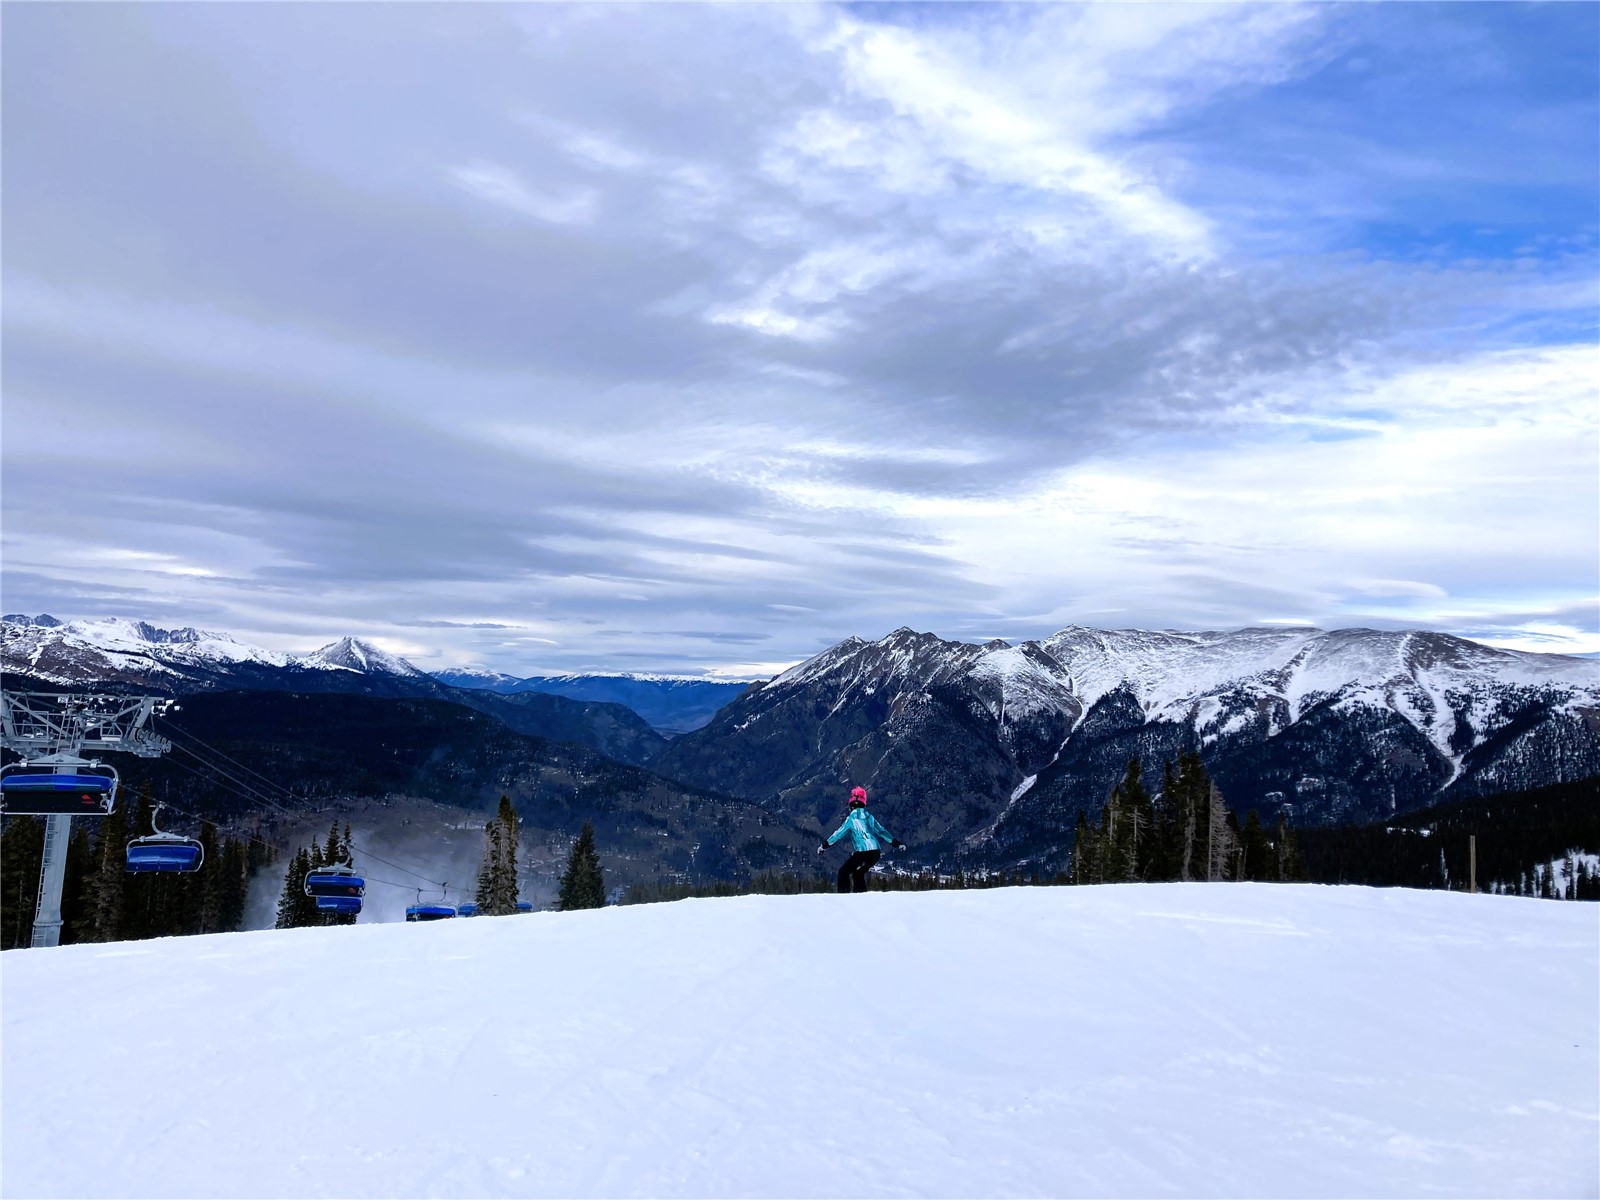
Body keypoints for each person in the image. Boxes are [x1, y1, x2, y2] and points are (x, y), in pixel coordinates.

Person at [819, 786, 906, 893]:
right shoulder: (869, 817)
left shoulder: (851, 819)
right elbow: (881, 831)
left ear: (851, 805)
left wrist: (824, 845)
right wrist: (896, 843)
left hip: (862, 852)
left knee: (843, 872)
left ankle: (843, 898)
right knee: (858, 874)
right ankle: (861, 898)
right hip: (875, 852)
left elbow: (838, 834)